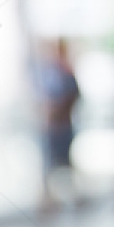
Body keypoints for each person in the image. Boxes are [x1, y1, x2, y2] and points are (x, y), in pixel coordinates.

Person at [36, 38, 79, 210]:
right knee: (49, 164)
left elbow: (74, 97)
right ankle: (49, 200)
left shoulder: (67, 74)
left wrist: (60, 110)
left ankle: (71, 196)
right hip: (51, 128)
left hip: (64, 125)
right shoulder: (47, 74)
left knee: (66, 162)